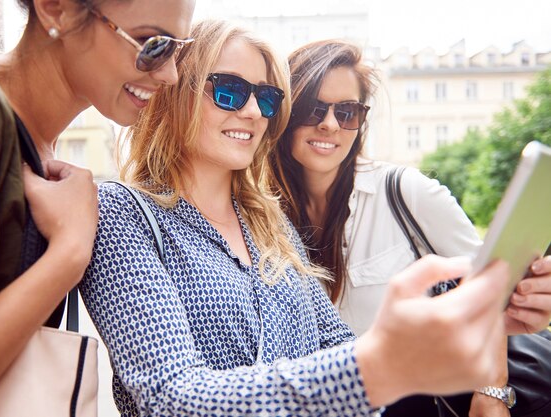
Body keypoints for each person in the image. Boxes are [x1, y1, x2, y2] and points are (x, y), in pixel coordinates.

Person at [79, 19, 548, 417]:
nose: (251, 111)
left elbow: (338, 349)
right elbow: (171, 397)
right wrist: (376, 365)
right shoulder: (123, 212)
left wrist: (453, 330)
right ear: (174, 91)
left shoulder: (269, 223)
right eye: (228, 91)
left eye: (265, 98)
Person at [0, 0, 195, 416]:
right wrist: (69, 253)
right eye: (152, 44)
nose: (170, 73)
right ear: (56, 9)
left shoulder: (39, 148)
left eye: (177, 48)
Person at [268, 39, 551, 416]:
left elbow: (489, 290)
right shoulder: (261, 214)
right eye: (313, 108)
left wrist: (492, 392)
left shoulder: (408, 192)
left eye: (347, 111)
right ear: (285, 113)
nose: (330, 123)